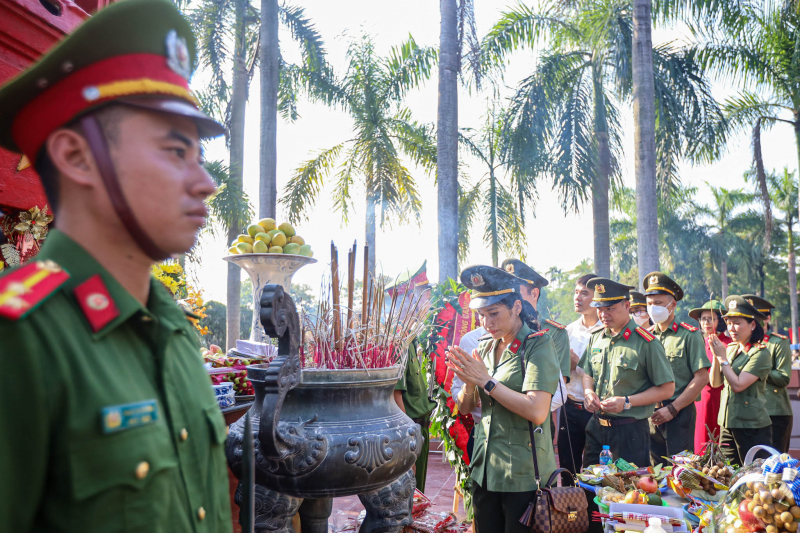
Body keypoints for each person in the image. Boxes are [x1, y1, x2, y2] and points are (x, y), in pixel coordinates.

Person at [0, 1, 232, 531]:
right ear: (76, 157)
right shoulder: (21, 340)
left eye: (199, 156)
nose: (205, 183)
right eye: (176, 152)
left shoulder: (172, 329)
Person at [447, 265, 560, 533]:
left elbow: (537, 411)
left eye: (494, 314)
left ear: (517, 307)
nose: (487, 324)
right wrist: (470, 383)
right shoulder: (485, 346)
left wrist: (486, 381)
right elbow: (464, 407)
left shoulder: (538, 345)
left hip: (522, 473)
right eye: (482, 316)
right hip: (486, 468)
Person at [578, 278, 675, 468]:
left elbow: (667, 389)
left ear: (627, 305)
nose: (603, 314)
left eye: (610, 308)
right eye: (599, 309)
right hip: (596, 427)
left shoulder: (647, 343)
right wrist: (588, 392)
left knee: (627, 492)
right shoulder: (596, 338)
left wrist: (627, 402)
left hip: (630, 431)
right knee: (590, 487)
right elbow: (587, 373)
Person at [643, 272, 710, 464]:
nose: (652, 308)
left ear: (672, 305)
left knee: (680, 472)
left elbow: (701, 378)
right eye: (649, 303)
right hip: (650, 414)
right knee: (654, 473)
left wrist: (673, 408)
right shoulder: (645, 337)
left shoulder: (689, 335)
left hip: (679, 413)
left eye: (658, 302)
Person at [501, 258, 570, 444]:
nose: (509, 297)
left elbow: (558, 391)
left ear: (534, 292)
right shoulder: (496, 330)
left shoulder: (554, 332)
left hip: (536, 427)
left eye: (516, 291)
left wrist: (530, 408)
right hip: (500, 426)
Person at [388, 263, 436, 492]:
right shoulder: (398, 339)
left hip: (417, 429)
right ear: (408, 301)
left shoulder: (410, 336)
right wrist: (409, 440)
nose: (428, 303)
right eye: (424, 297)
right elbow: (396, 394)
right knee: (409, 499)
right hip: (410, 431)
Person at [709, 296, 773, 466]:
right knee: (727, 474)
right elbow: (715, 383)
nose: (731, 328)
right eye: (729, 323)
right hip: (727, 422)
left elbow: (738, 385)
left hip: (751, 426)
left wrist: (722, 359)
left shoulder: (760, 353)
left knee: (753, 478)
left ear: (752, 325)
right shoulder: (730, 348)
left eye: (737, 323)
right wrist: (717, 357)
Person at [560, 273, 603, 481]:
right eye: (576, 292)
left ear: (597, 299)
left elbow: (605, 373)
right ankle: (569, 513)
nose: (578, 297)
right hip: (570, 407)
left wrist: (578, 366)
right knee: (569, 468)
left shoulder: (606, 332)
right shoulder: (568, 331)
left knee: (595, 470)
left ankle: (592, 513)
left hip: (596, 409)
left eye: (585, 293)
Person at [743, 294, 793, 453]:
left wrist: (760, 371)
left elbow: (784, 377)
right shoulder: (743, 345)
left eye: (758, 317)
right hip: (750, 412)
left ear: (767, 319)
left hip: (774, 411)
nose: (754, 321)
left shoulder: (778, 342)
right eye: (751, 317)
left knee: (775, 462)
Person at [688, 301, 730, 452]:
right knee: (700, 441)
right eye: (703, 319)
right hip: (699, 398)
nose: (705, 322)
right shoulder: (699, 342)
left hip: (720, 397)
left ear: (721, 321)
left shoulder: (728, 344)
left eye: (710, 318)